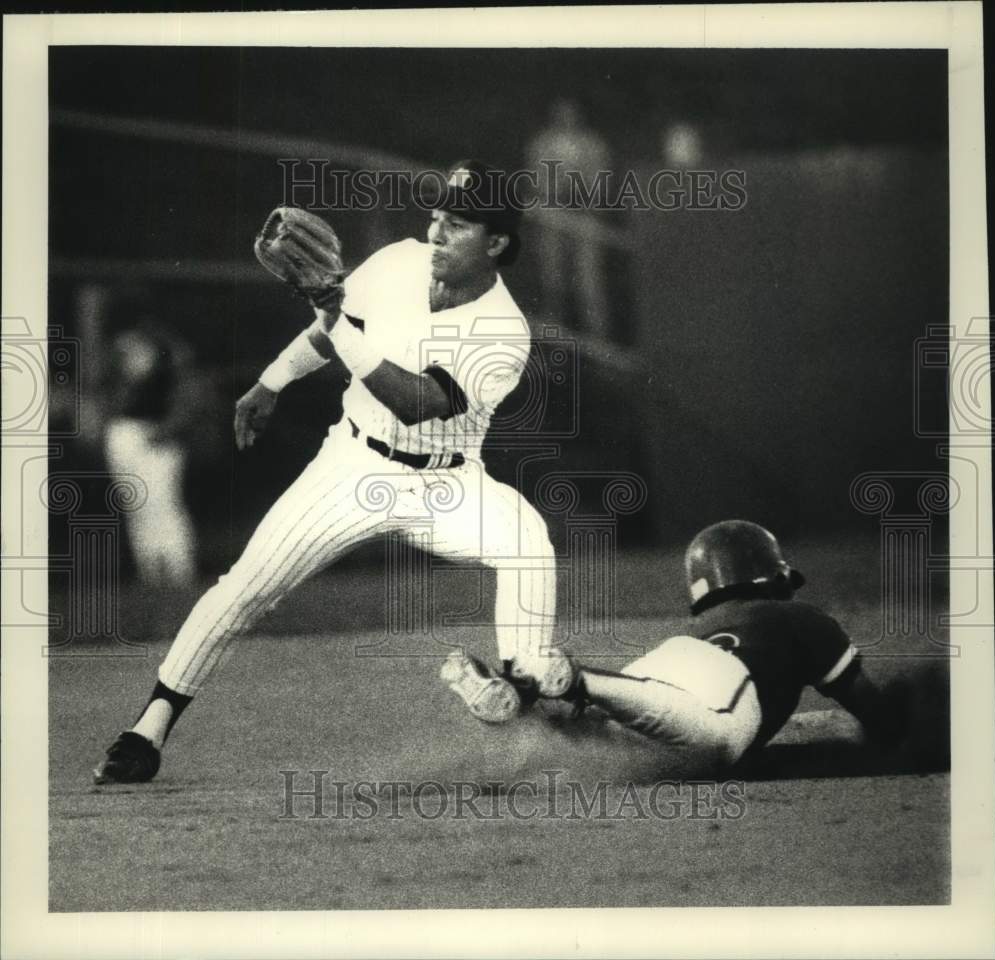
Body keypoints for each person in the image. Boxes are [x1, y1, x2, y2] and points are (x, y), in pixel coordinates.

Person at [94, 160, 569, 785]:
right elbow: (328, 333)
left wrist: (335, 317)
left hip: (447, 483)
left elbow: (416, 401)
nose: (436, 233)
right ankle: (146, 730)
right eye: (435, 217)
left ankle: (522, 699)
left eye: (456, 224)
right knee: (244, 589)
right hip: (352, 464)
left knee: (528, 543)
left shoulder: (505, 332)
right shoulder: (400, 260)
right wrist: (271, 381)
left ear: (497, 243)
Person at [444, 520, 911, 777]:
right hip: (717, 696)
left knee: (596, 728)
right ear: (773, 575)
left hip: (663, 668)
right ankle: (570, 676)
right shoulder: (800, 617)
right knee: (710, 736)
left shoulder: (703, 627)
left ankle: (537, 703)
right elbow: (877, 715)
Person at [102, 322, 199, 587]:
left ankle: (178, 572)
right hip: (126, 434)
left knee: (162, 504)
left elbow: (187, 405)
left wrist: (168, 429)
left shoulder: (172, 366)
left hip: (156, 437)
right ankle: (151, 575)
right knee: (136, 507)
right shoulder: (118, 371)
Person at [525, 98, 612, 336]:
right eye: (560, 112)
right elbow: (536, 182)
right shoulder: (541, 144)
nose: (566, 116)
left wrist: (583, 194)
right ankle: (554, 341)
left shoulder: (594, 145)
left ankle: (599, 344)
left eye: (571, 112)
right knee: (552, 278)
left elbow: (601, 184)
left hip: (585, 218)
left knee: (589, 283)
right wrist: (556, 191)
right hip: (553, 216)